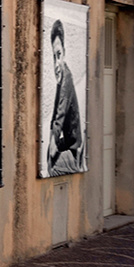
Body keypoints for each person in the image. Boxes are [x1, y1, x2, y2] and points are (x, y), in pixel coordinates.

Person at [46, 18, 83, 175]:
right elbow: (55, 113)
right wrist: (50, 142)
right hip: (68, 142)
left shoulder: (66, 79)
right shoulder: (61, 80)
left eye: (59, 55)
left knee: (52, 170)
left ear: (65, 53)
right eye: (54, 56)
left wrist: (52, 149)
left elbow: (59, 116)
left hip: (73, 148)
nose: (56, 63)